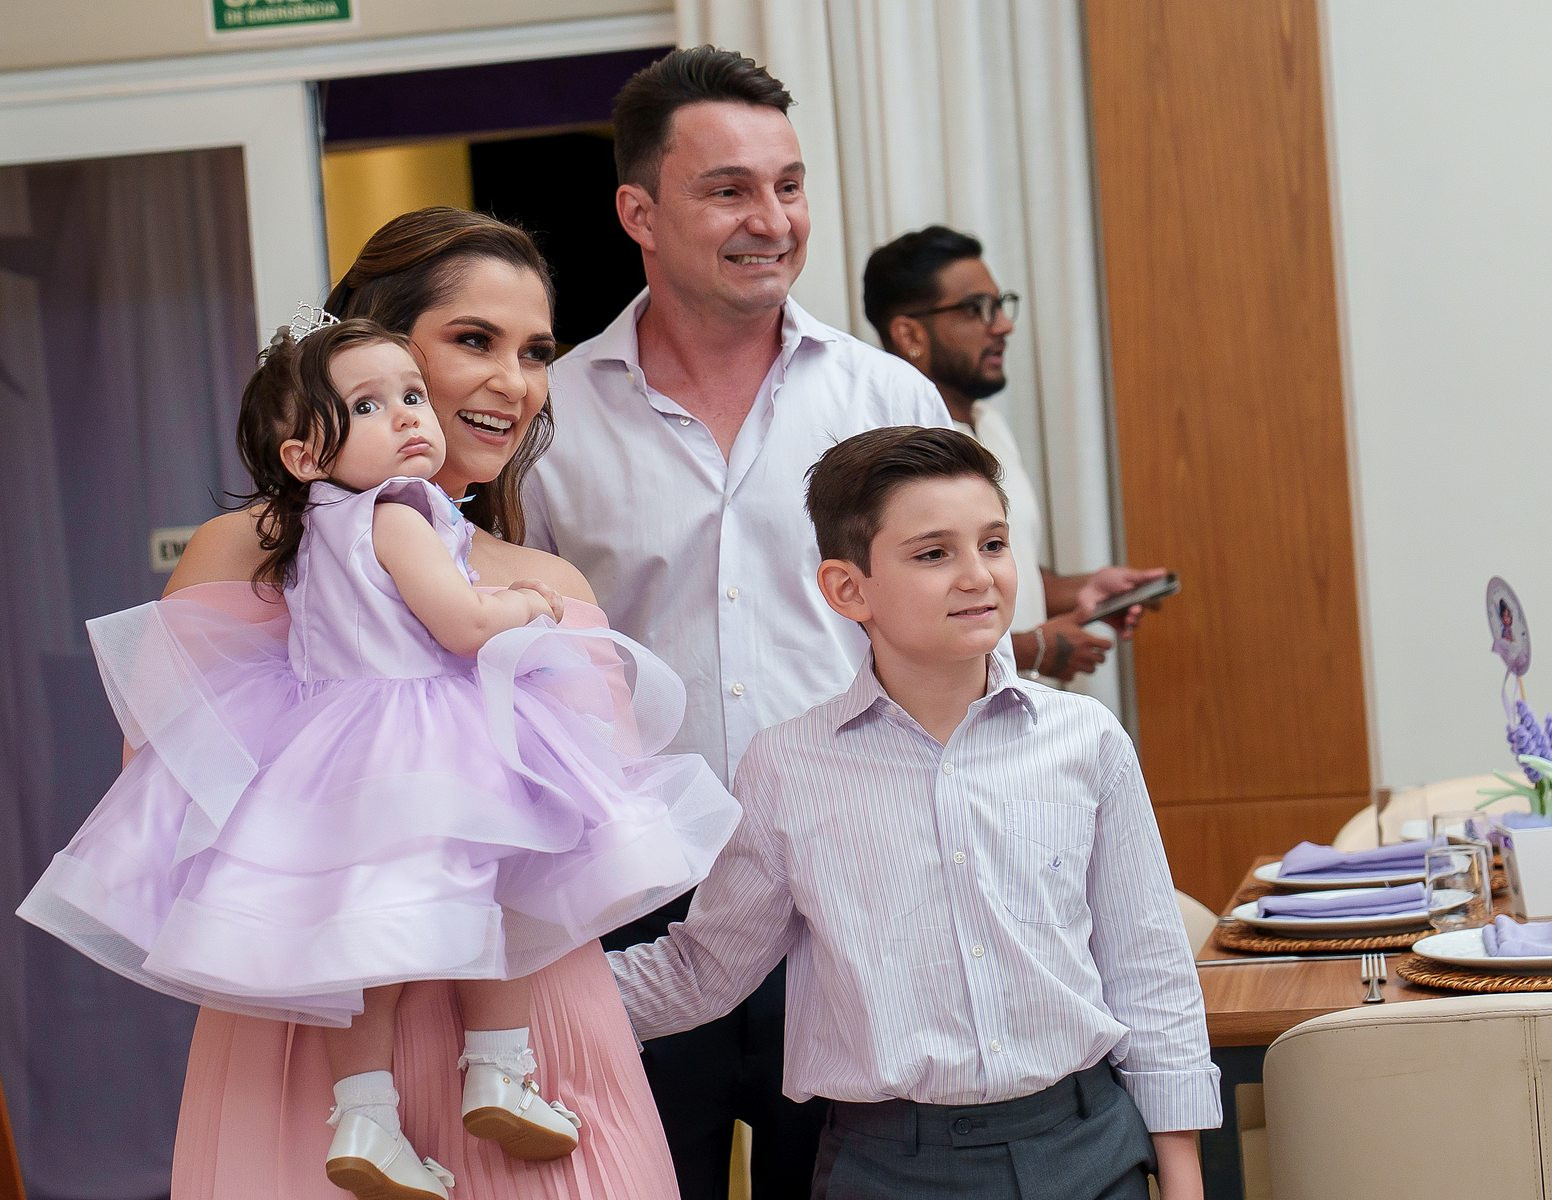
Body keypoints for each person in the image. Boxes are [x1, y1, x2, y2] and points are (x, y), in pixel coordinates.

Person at [21, 312, 742, 1198]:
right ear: (302, 456)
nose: (407, 416)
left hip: (332, 751)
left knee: (360, 950)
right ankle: (499, 1068)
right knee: (505, 881)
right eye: (370, 405)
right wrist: (523, 604)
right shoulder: (400, 514)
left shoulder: (314, 534)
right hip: (426, 729)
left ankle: (365, 1114)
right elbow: (462, 623)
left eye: (410, 396)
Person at [522, 46, 954, 1197]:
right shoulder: (549, 421)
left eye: (790, 185)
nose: (773, 220)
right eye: (729, 190)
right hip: (636, 909)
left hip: (855, 898)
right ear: (639, 213)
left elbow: (970, 651)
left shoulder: (886, 401)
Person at [612, 426, 1222, 1199]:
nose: (978, 576)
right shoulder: (788, 767)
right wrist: (519, 998)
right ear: (848, 590)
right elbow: (703, 970)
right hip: (887, 1168)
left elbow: (1149, 971)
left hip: (1089, 1148)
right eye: (934, 554)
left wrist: (1182, 1174)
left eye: (993, 544)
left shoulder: (1087, 740)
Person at [862, 225, 1169, 683]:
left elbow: (1002, 570)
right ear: (909, 334)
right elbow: (891, 617)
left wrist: (1087, 590)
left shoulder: (989, 425)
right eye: (976, 309)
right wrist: (1030, 650)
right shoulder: (891, 453)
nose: (1003, 325)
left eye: (1000, 304)